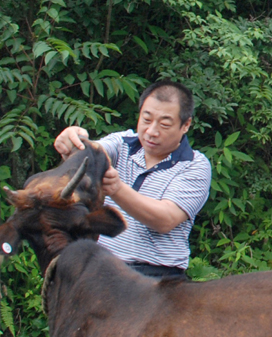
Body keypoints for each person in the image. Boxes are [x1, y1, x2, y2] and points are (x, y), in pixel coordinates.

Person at [54, 80, 212, 278]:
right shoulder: (122, 143)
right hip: (102, 268)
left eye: (164, 124)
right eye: (146, 120)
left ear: (185, 124)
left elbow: (165, 219)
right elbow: (94, 154)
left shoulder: (195, 165)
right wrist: (74, 142)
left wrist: (117, 189)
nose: (151, 131)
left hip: (158, 278)